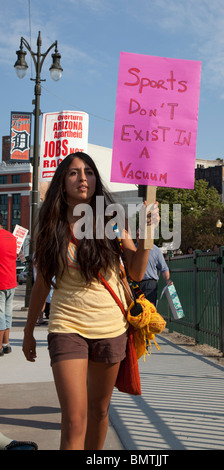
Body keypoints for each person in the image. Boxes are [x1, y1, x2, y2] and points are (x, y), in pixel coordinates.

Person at [22, 152, 159, 451]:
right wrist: (29, 330)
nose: (83, 178)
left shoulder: (112, 219)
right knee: (74, 418)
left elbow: (135, 271)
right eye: (73, 173)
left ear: (96, 180)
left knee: (99, 411)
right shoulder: (50, 225)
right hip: (66, 325)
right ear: (63, 181)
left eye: (89, 172)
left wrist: (148, 232)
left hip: (110, 328)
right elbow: (42, 282)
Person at [136, 230, 170, 305]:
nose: (139, 237)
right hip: (134, 285)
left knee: (149, 309)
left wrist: (167, 280)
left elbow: (164, 268)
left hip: (149, 284)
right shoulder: (132, 249)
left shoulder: (156, 250)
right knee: (135, 310)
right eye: (137, 235)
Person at [0, 212, 17, 356]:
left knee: (0, 315)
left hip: (0, 282)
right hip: (11, 281)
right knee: (7, 314)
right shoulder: (11, 237)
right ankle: (6, 344)